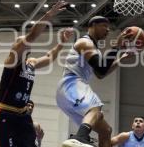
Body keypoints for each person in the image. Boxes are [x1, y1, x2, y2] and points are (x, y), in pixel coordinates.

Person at [0, 0, 73, 147]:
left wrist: (61, 43)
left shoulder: (31, 63)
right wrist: (49, 14)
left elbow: (49, 57)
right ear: (15, 47)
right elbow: (32, 35)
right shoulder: (12, 61)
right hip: (6, 114)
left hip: (23, 115)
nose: (25, 43)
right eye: (21, 42)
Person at [56, 16, 133, 147]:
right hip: (71, 84)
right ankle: (79, 138)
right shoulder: (85, 43)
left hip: (70, 90)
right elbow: (102, 68)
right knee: (95, 107)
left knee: (106, 130)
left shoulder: (94, 49)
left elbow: (100, 74)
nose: (108, 30)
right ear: (92, 26)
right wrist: (116, 45)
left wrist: (120, 60)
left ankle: (81, 136)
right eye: (104, 26)